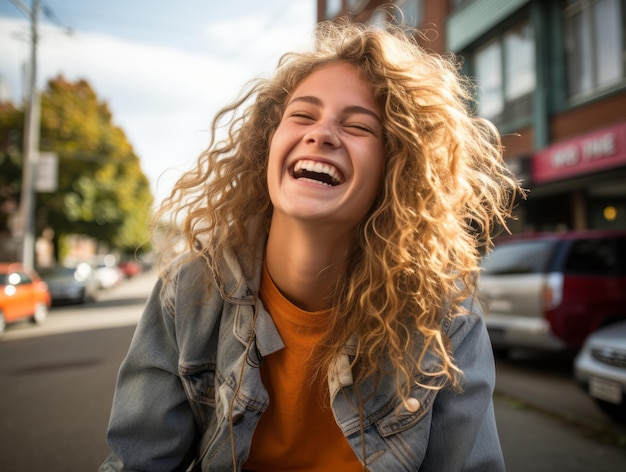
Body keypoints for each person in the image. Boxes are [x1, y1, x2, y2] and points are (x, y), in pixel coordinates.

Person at [100, 18, 522, 472]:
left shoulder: (444, 317)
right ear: (268, 144)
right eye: (302, 115)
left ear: (396, 170)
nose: (320, 134)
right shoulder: (188, 292)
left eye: (358, 127)